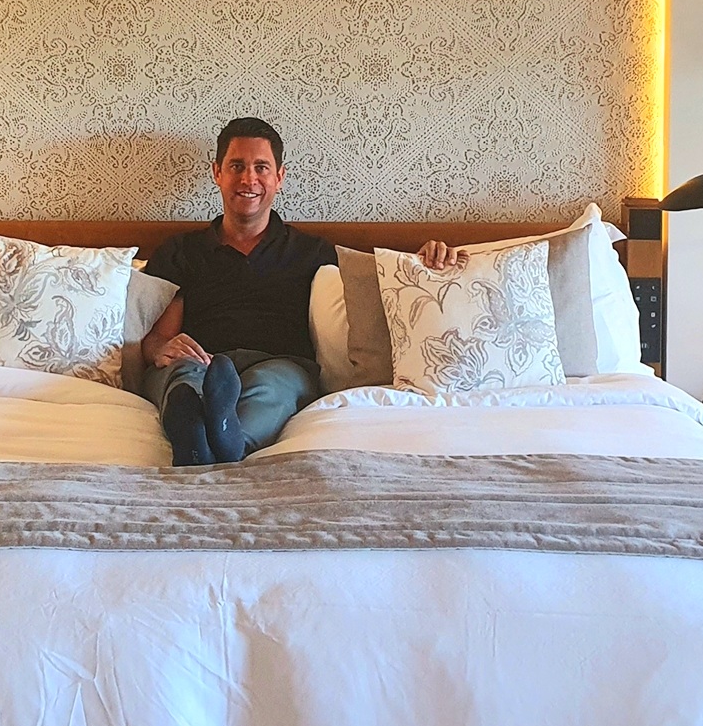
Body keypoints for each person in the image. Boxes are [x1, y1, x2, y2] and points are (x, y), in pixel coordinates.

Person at [142, 118, 466, 465]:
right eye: (236, 166)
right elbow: (157, 338)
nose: (249, 179)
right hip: (203, 359)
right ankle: (193, 428)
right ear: (217, 173)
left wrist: (424, 261)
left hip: (279, 363)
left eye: (261, 168)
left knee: (272, 386)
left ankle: (220, 440)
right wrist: (162, 349)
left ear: (279, 177)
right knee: (184, 379)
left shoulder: (312, 253)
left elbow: (380, 288)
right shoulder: (180, 252)